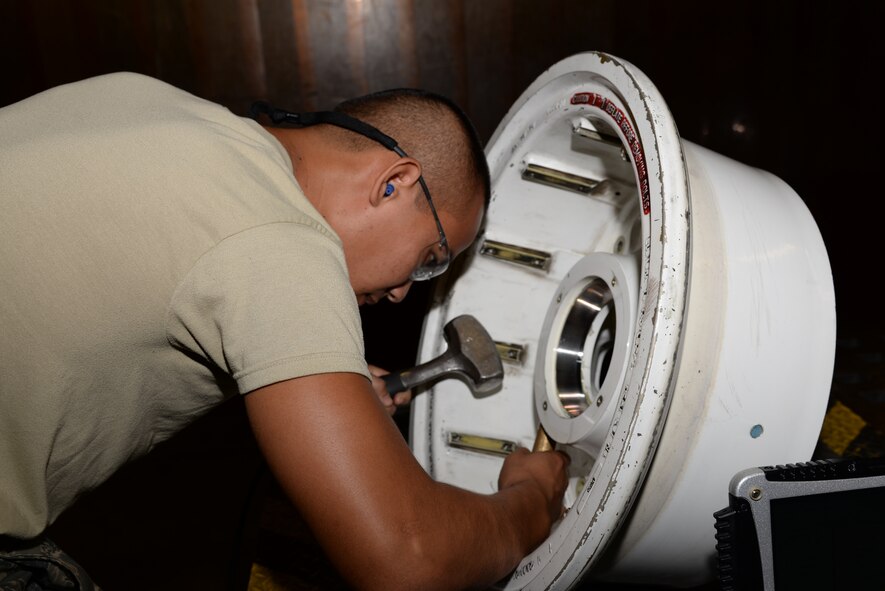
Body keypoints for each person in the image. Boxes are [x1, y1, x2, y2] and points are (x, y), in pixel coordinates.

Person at [0, 72, 569, 590]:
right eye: (430, 258)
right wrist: (530, 502)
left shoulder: (155, 103)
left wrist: (328, 390)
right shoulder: (281, 241)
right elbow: (407, 556)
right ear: (393, 182)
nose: (402, 293)